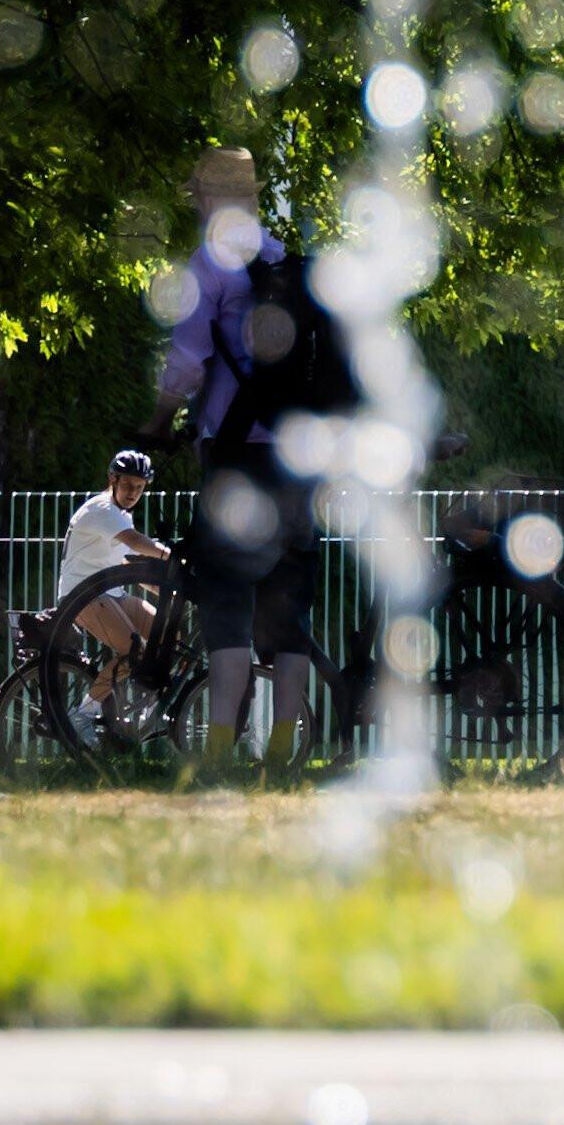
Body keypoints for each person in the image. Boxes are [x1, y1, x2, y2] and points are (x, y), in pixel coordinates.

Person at [161, 215, 356, 767]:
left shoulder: (213, 267)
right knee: (290, 611)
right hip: (298, 462)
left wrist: (160, 423)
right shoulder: (294, 273)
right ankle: (283, 748)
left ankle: (219, 750)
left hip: (237, 459)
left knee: (227, 606)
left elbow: (187, 362)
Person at [53, 449, 173, 747]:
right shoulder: (102, 510)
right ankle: (82, 714)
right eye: (128, 484)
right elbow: (136, 543)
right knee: (134, 651)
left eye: (140, 487)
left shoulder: (120, 516)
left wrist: (173, 589)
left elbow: (127, 565)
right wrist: (172, 556)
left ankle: (147, 706)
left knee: (171, 633)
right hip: (84, 594)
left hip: (111, 593)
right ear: (112, 479)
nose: (133, 492)